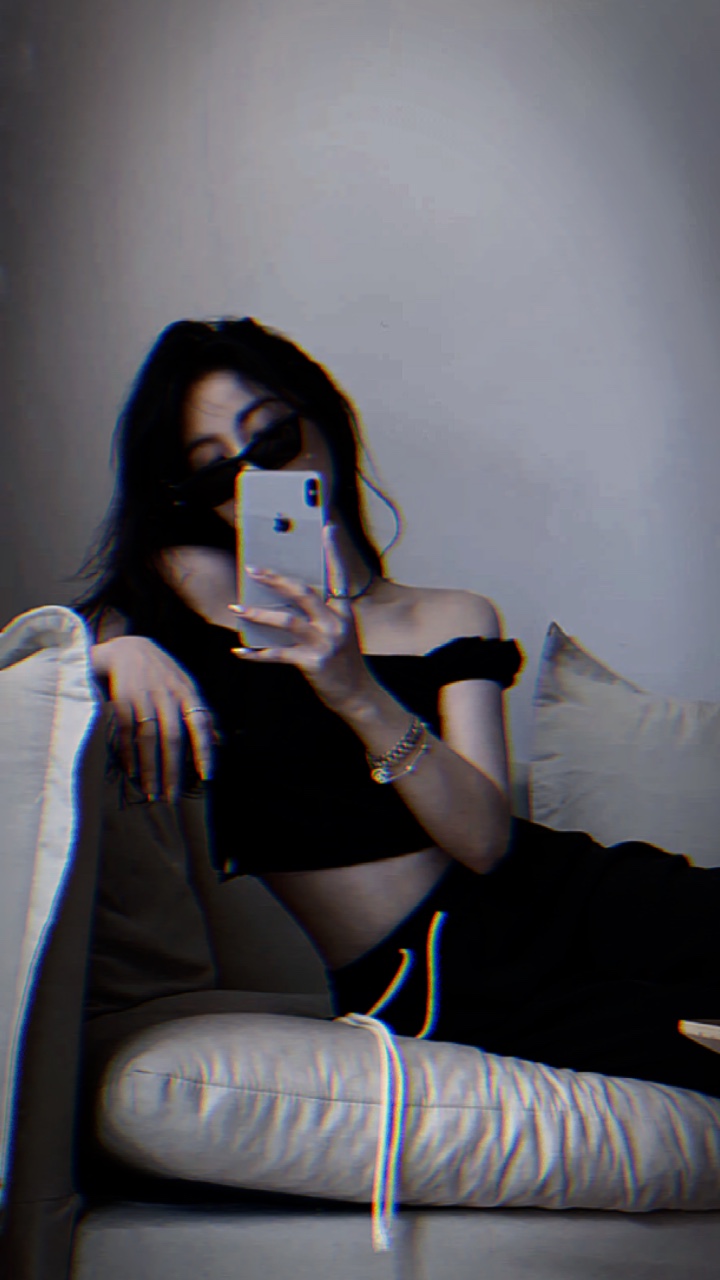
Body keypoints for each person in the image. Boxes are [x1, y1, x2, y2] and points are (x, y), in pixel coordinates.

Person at [74, 317, 720, 1102]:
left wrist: (354, 688)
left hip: (579, 898)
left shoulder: (450, 617)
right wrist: (114, 651)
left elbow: (484, 841)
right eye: (215, 473)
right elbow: (39, 662)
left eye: (272, 439)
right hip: (433, 976)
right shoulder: (189, 595)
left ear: (323, 423)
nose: (250, 480)